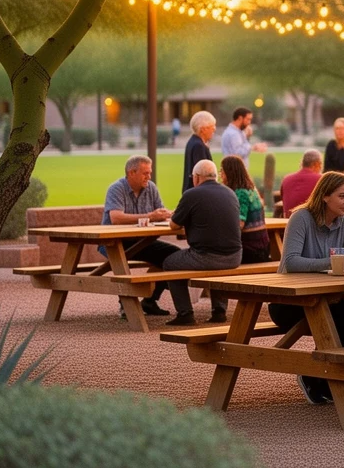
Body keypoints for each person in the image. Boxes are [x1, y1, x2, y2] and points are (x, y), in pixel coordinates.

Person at [268, 172, 344, 406]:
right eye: (342, 196)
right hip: (289, 304)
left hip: (327, 300)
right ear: (325, 196)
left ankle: (323, 376)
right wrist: (333, 260)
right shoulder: (301, 218)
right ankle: (315, 376)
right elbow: (291, 262)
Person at [162, 159, 243, 326]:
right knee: (214, 260)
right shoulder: (230, 193)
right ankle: (219, 311)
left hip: (206, 256)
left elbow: (174, 224)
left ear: (197, 177)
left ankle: (185, 313)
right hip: (235, 257)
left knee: (169, 262)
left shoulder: (192, 194)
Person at [101, 155, 178, 317]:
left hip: (143, 241)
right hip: (114, 242)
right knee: (121, 260)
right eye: (145, 173)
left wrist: (172, 215)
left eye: (150, 173)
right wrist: (151, 216)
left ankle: (150, 300)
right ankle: (126, 306)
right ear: (131, 173)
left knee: (174, 256)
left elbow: (161, 214)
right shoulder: (116, 189)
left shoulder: (151, 188)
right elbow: (116, 218)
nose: (149, 177)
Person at [220, 155, 271, 264]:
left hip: (250, 250)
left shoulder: (240, 193)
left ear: (229, 173)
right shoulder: (252, 190)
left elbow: (239, 224)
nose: (221, 175)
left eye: (222, 171)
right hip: (262, 247)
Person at [280, 150, 323, 217]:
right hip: (312, 223)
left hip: (288, 223)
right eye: (321, 164)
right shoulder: (321, 179)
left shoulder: (286, 179)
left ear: (302, 163)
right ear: (317, 164)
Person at [183, 111, 216, 193]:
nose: (214, 129)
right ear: (203, 129)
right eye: (212, 127)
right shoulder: (199, 146)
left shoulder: (192, 142)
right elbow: (204, 175)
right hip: (199, 194)